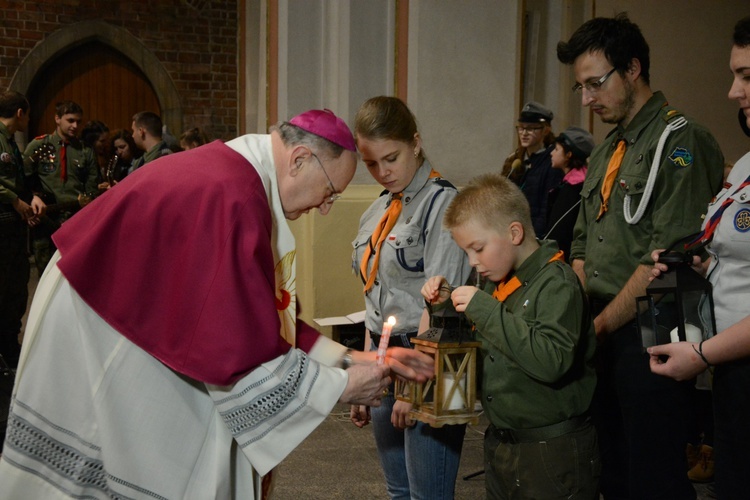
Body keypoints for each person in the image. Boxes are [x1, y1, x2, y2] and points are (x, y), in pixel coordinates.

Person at [0, 108, 434, 499]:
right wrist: (341, 387)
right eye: (329, 192)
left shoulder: (243, 174)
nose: (325, 207)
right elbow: (236, 350)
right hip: (101, 318)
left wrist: (350, 358)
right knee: (150, 453)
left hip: (122, 307)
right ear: (300, 159)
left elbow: (260, 316)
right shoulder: (235, 194)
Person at [557, 13, 725, 499]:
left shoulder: (680, 142)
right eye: (581, 88)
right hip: (603, 323)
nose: (587, 99)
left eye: (595, 84)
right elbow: (584, 242)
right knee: (610, 465)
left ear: (632, 68)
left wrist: (602, 326)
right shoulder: (610, 147)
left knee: (654, 471)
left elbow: (668, 258)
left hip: (655, 322)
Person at [421, 173, 598, 499]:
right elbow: (479, 348)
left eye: (478, 248)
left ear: (514, 232)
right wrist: (444, 304)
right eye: (466, 252)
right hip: (503, 444)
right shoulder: (496, 281)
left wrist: (484, 310)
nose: (473, 262)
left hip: (549, 451)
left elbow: (551, 361)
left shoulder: (556, 283)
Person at [648, 16, 750, 500]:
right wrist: (696, 265)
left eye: (747, 76)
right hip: (733, 364)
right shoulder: (748, 163)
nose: (733, 92)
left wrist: (703, 355)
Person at [350, 96, 471, 500]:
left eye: (391, 158)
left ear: (415, 143)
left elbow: (440, 302)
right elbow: (374, 298)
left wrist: (412, 391)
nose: (382, 172)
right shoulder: (379, 210)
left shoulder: (444, 204)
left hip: (434, 359)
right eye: (371, 163)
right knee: (399, 491)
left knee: (428, 495)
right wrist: (368, 368)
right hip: (387, 355)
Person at [24, 100, 99, 275]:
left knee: (75, 274)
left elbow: (92, 184)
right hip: (47, 217)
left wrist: (85, 207)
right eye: (70, 120)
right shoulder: (42, 146)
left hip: (75, 218)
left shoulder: (84, 151)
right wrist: (31, 201)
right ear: (57, 119)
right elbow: (25, 178)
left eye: (78, 122)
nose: (75, 126)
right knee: (46, 273)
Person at [0, 91, 45, 371]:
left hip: (12, 226)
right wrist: (14, 201)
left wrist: (31, 197)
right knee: (4, 287)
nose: (27, 119)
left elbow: (18, 178)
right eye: (27, 114)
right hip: (2, 221)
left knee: (14, 289)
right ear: (20, 113)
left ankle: (9, 347)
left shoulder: (11, 142)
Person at [500, 101, 562, 236]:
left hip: (535, 234)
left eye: (531, 128)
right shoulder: (516, 160)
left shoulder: (552, 162)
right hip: (512, 229)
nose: (524, 133)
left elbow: (545, 209)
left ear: (545, 130)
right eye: (521, 128)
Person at [544, 126, 595, 261]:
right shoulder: (568, 184)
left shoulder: (575, 188)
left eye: (556, 149)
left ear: (568, 155)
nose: (551, 153)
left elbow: (560, 231)